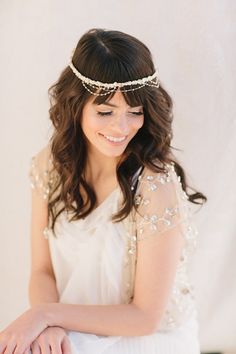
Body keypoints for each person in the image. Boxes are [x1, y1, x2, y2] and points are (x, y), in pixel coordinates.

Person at [0, 28, 207, 354]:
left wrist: (44, 315)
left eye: (134, 112)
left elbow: (145, 318)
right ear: (76, 105)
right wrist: (47, 327)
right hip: (71, 321)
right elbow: (42, 271)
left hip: (144, 339)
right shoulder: (49, 167)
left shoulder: (155, 186)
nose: (120, 128)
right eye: (106, 112)